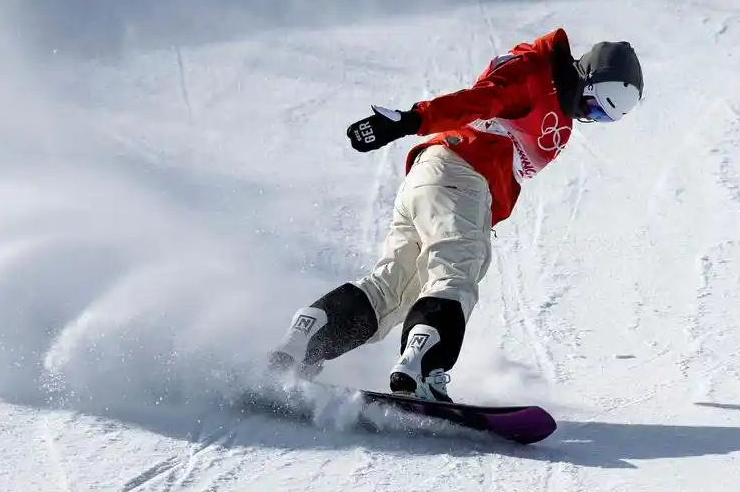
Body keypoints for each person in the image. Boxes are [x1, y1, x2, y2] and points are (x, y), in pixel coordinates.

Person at [266, 29, 643, 401]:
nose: (589, 116)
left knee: (391, 290)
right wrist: (409, 120)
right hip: (460, 178)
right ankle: (421, 371)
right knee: (454, 279)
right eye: (593, 105)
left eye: (602, 118)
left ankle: (305, 339)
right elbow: (477, 100)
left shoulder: (560, 114)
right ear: (586, 77)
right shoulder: (534, 73)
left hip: (432, 182)